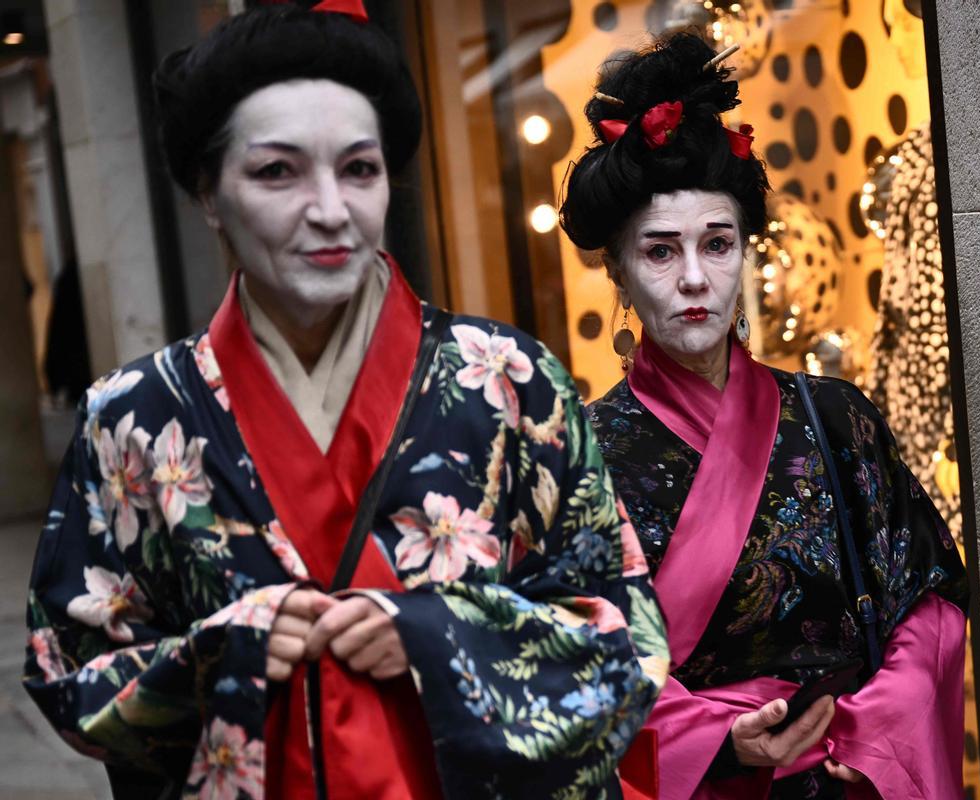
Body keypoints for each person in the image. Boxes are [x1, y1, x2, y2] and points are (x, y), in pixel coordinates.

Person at [23, 2, 667, 798]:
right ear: (209, 196)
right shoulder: (132, 417)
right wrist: (220, 652)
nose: (329, 210)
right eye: (276, 172)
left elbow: (627, 638)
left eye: (359, 169)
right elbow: (67, 670)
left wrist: (436, 637)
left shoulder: (510, 379)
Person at [560, 34, 969, 799]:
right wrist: (714, 737)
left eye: (717, 244)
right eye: (658, 252)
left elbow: (931, 597)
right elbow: (576, 665)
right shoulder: (579, 455)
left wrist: (879, 725)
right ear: (615, 268)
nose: (693, 278)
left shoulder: (836, 417)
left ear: (746, 251)